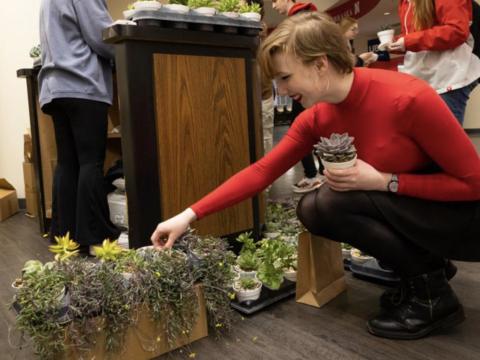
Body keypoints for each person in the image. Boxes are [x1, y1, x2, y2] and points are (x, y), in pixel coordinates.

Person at [151, 12, 480, 340]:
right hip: (412, 210)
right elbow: (262, 171)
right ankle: (425, 273)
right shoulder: (317, 117)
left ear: (320, 64)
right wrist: (188, 215)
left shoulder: (408, 97)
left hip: (459, 217)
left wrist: (385, 180)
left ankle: (434, 297)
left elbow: (474, 184)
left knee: (333, 200)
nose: (280, 88)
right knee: (317, 206)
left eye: (284, 77)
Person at [38, 0, 120, 253]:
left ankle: (65, 236)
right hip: (82, 84)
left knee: (68, 163)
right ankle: (95, 236)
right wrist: (126, 50)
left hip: (55, 86)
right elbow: (101, 36)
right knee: (90, 162)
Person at [388, 0, 480, 125]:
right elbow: (414, 35)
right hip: (424, 74)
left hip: (449, 73)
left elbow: (457, 30)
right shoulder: (404, 2)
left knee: (446, 137)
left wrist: (408, 42)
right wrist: (397, 43)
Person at [272, 0, 324, 193]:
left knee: (305, 131)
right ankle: (318, 173)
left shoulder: (299, 19)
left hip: (307, 88)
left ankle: (315, 174)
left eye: (275, 1)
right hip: (309, 87)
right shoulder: (306, 14)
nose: (274, 6)